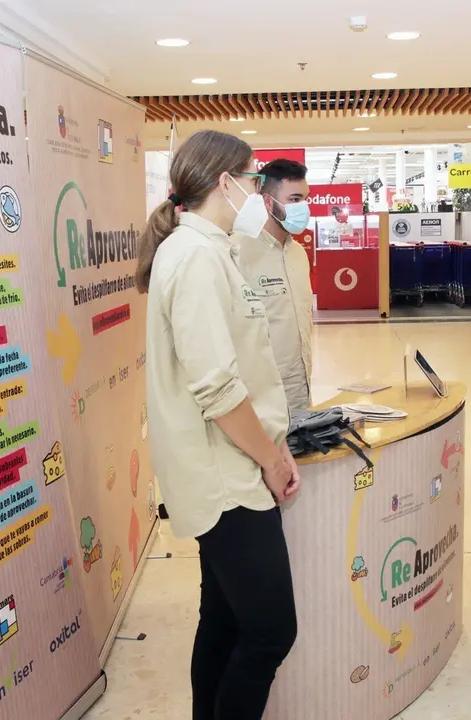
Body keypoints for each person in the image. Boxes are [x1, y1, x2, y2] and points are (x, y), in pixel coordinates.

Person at [137, 129, 300, 720]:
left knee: (225, 617)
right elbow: (219, 389)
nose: (261, 191)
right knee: (270, 631)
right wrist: (272, 459)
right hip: (224, 476)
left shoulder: (210, 249)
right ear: (227, 183)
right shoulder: (196, 257)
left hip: (230, 463)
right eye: (255, 179)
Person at [238, 158, 314, 413]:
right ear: (268, 202)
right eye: (294, 199)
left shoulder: (299, 254)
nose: (303, 207)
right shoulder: (238, 252)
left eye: (306, 198)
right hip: (260, 401)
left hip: (301, 393)